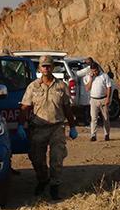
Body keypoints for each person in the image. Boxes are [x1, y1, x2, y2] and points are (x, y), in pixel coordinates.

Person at [18, 55, 78, 200]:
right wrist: (20, 125)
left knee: (57, 158)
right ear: (39, 68)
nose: (46, 68)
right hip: (38, 128)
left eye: (48, 66)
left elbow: (67, 108)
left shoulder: (61, 86)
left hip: (57, 127)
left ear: (53, 67)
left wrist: (72, 126)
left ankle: (54, 185)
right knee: (37, 159)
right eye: (43, 66)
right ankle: (43, 179)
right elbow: (25, 107)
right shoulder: (33, 86)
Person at [83, 63, 111, 142]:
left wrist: (108, 98)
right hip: (93, 100)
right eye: (93, 71)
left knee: (105, 118)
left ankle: (106, 134)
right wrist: (91, 79)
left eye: (95, 71)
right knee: (94, 118)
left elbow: (109, 87)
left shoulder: (104, 76)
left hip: (103, 99)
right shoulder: (88, 77)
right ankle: (93, 135)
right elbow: (87, 89)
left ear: (98, 69)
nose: (94, 72)